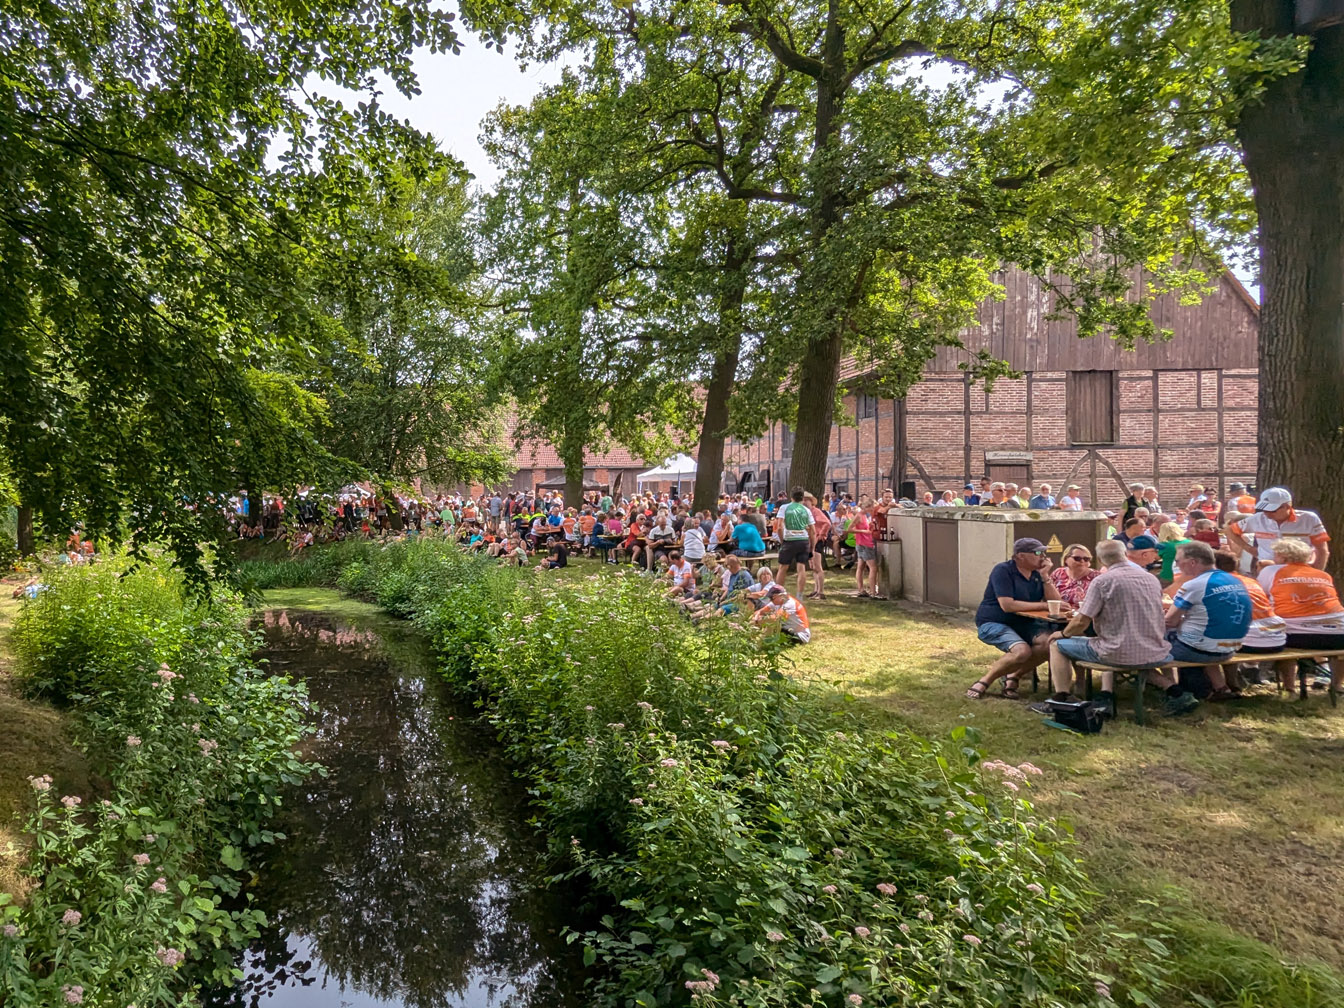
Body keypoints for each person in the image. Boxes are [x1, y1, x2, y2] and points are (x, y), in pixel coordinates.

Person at [1039, 539, 1183, 715]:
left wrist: (1062, 634)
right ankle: (1175, 692)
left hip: (1115, 652)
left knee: (1056, 645)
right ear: (1125, 555)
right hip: (1155, 650)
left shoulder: (1102, 581)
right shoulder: (1151, 578)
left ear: (1100, 560)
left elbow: (1082, 621)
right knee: (1132, 653)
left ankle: (1062, 698)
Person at [967, 538, 1063, 700]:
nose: (1043, 556)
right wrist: (1043, 606)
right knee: (1022, 651)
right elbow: (1008, 605)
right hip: (995, 622)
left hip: (1025, 623)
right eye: (1037, 552)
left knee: (1050, 644)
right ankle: (985, 681)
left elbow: (1055, 602)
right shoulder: (1003, 570)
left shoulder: (1037, 574)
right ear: (1020, 556)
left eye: (1044, 552)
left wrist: (1045, 576)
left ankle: (1013, 676)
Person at [1165, 540, 1251, 702]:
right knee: (1203, 633)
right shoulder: (1234, 579)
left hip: (1197, 651)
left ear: (1192, 562)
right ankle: (1221, 687)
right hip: (1230, 648)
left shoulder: (1194, 585)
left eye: (1178, 561)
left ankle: (1171, 690)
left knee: (1158, 641)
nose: (1176, 565)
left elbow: (1170, 621)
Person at [1257, 537, 1344, 693]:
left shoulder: (1271, 570)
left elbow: (1260, 596)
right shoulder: (1322, 574)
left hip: (1296, 636)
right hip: (1338, 634)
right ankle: (1336, 685)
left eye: (1275, 554)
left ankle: (1289, 687)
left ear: (1283, 557)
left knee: (1281, 636)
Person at [1225, 487, 1330, 571]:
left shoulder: (1309, 519)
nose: (1267, 513)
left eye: (1272, 510)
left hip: (1299, 570)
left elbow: (1322, 549)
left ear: (1287, 506)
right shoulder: (1258, 518)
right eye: (1264, 509)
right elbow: (1229, 530)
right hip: (1268, 569)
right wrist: (1249, 549)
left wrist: (1317, 571)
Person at [777, 487, 817, 598]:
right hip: (803, 540)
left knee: (783, 567)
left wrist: (782, 540)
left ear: (791, 497)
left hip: (789, 540)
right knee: (801, 568)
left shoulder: (784, 508)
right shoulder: (806, 510)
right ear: (802, 498)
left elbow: (779, 527)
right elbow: (813, 531)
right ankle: (799, 595)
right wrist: (812, 547)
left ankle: (778, 594)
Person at [851, 499, 883, 599]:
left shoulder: (865, 515)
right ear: (868, 507)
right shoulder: (859, 515)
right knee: (873, 567)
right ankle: (873, 592)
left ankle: (861, 589)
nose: (873, 510)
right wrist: (864, 531)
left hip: (862, 543)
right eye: (873, 508)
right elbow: (850, 529)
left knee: (861, 566)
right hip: (865, 544)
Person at [1155, 522, 1192, 586]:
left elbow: (1156, 558)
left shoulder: (1164, 545)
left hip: (1168, 575)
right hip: (1186, 575)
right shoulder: (1190, 543)